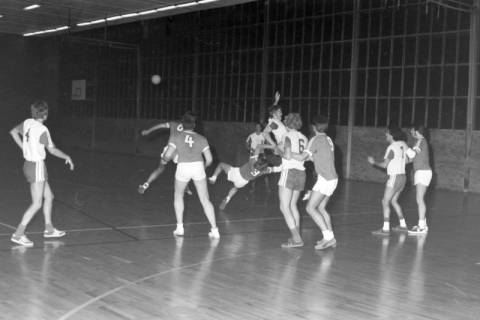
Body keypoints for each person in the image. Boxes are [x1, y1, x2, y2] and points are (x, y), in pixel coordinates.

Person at [9, 101, 74, 247]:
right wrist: (66, 157)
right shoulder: (42, 129)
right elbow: (52, 150)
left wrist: (23, 148)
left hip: (29, 164)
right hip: (36, 166)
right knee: (37, 203)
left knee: (49, 197)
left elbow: (13, 132)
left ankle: (49, 229)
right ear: (45, 114)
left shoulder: (27, 122)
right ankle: (18, 234)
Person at [163, 111, 219, 239]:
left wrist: (166, 159)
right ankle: (215, 230)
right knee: (205, 200)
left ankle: (180, 228)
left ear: (183, 124)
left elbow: (167, 155)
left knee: (178, 195)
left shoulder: (176, 136)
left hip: (183, 167)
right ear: (194, 124)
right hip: (198, 167)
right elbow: (209, 160)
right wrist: (202, 169)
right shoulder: (202, 138)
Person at [290, 115, 338, 250]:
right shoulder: (327, 139)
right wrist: (305, 157)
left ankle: (328, 238)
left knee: (310, 208)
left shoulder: (315, 139)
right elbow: (316, 158)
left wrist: (288, 153)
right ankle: (330, 238)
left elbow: (301, 157)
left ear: (313, 127)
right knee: (321, 208)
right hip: (333, 178)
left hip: (325, 179)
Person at [368, 125, 409, 235]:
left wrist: (374, 162)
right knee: (394, 201)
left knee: (385, 201)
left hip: (395, 177)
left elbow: (385, 165)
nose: (385, 135)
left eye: (387, 133)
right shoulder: (403, 144)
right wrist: (399, 162)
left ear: (391, 135)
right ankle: (403, 225)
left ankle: (385, 229)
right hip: (403, 177)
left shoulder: (391, 148)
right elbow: (409, 160)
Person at [208, 146, 278, 210]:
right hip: (242, 182)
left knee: (221, 165)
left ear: (259, 160)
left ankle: (213, 178)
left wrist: (272, 146)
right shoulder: (263, 171)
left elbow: (258, 146)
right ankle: (228, 198)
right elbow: (274, 169)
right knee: (235, 187)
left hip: (236, 174)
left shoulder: (252, 162)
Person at [277, 113, 308, 248]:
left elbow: (288, 155)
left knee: (284, 207)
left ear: (288, 123)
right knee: (293, 206)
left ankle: (296, 239)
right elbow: (304, 156)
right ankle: (296, 236)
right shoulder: (304, 138)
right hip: (301, 173)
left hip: (289, 172)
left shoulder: (286, 136)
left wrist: (279, 151)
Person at [138, 120, 192, 195]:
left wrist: (148, 131)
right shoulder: (190, 129)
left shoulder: (174, 124)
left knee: (160, 168)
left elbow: (160, 126)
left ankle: (145, 185)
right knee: (185, 170)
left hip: (169, 151)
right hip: (179, 153)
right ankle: (186, 187)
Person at [406, 123, 432, 235]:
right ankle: (423, 225)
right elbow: (411, 158)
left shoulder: (422, 141)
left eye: (412, 130)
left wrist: (404, 146)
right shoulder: (418, 142)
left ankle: (421, 227)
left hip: (423, 172)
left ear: (417, 131)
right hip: (420, 172)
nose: (410, 132)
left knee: (419, 199)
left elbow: (412, 154)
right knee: (419, 199)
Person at [262, 91, 287, 167]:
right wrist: (274, 145)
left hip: (284, 147)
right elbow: (264, 133)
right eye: (280, 112)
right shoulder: (275, 123)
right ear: (274, 114)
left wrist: (276, 101)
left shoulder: (274, 121)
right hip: (283, 148)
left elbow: (272, 111)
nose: (281, 114)